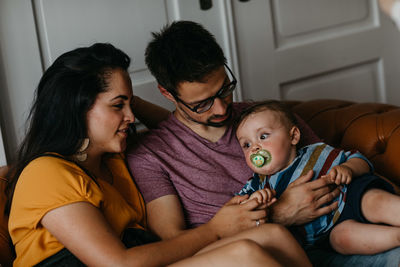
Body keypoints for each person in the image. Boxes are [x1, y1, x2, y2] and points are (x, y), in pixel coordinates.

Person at [4, 43, 311, 266]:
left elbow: (177, 129)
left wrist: (136, 102)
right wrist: (217, 229)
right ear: (76, 108)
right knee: (245, 254)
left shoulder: (115, 163)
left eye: (131, 104)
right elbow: (117, 264)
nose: (130, 115)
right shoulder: (46, 173)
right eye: (118, 105)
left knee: (272, 236)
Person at [127, 20, 400, 266]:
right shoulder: (151, 157)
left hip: (340, 233)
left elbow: (328, 164)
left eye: (225, 89)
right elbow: (172, 243)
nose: (222, 109)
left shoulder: (267, 119)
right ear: (167, 93)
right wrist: (280, 213)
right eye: (202, 104)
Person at [236, 100, 400, 255]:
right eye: (246, 145)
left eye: (263, 136)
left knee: (376, 202)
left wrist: (348, 168)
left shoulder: (315, 153)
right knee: (342, 240)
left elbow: (359, 159)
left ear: (293, 136)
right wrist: (255, 203)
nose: (255, 148)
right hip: (330, 231)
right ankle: (396, 236)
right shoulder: (257, 184)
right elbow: (243, 214)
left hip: (352, 195)